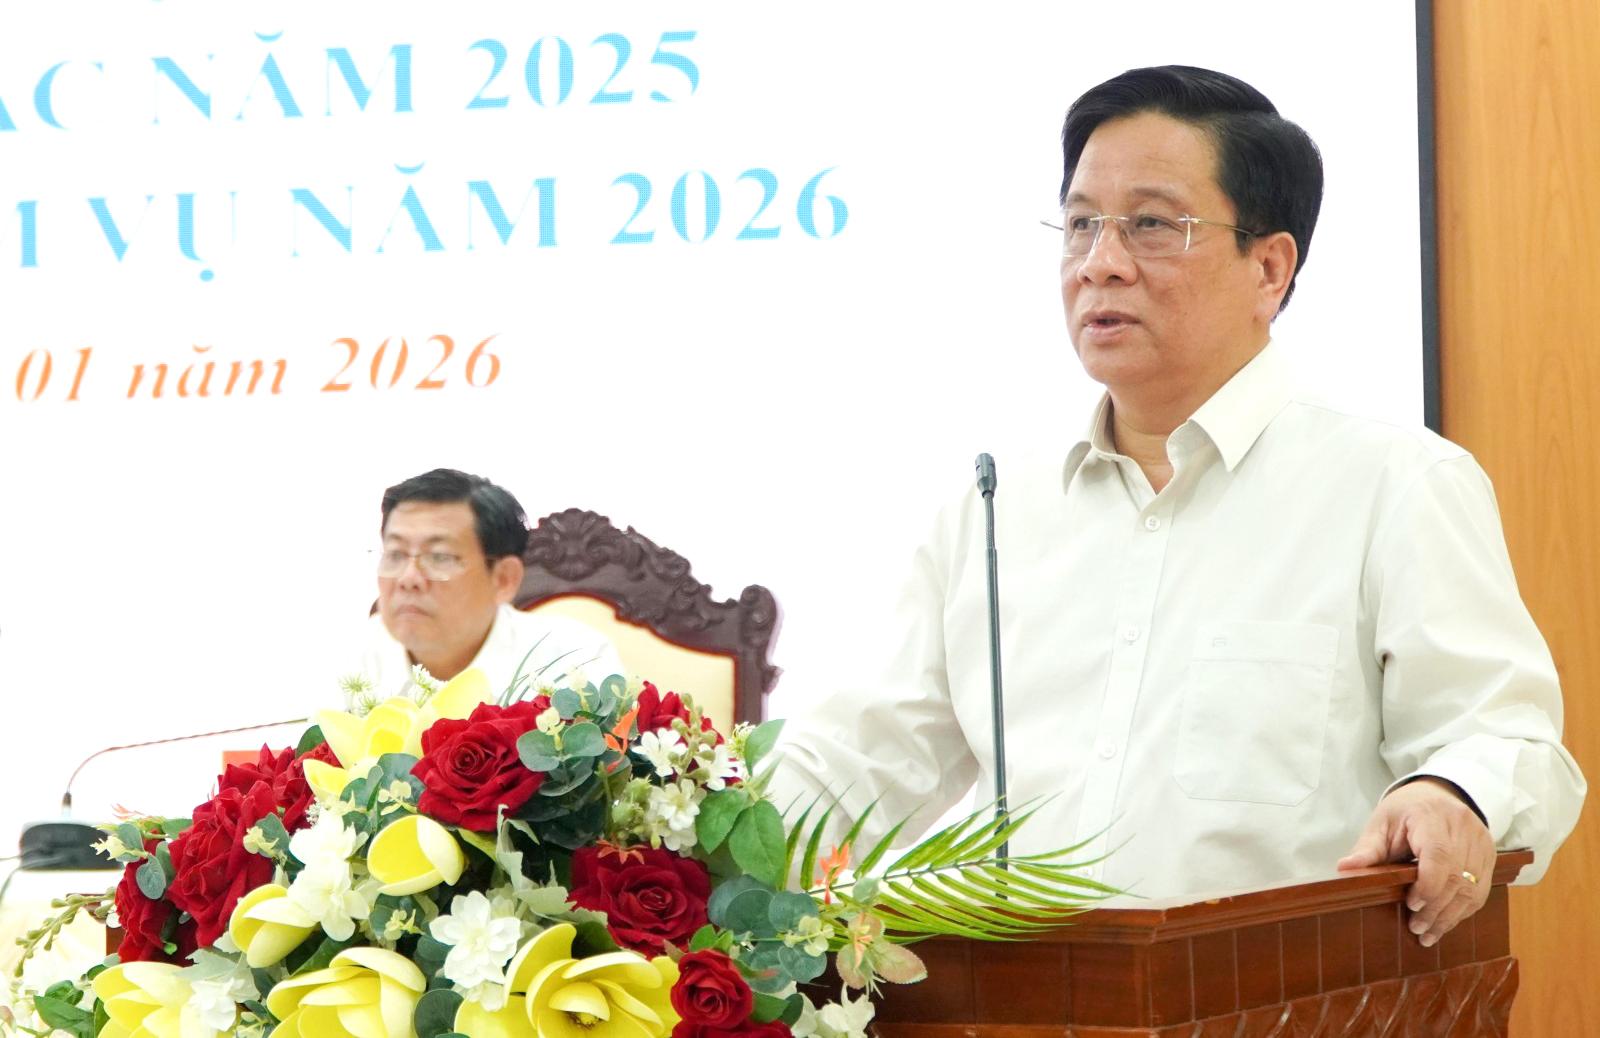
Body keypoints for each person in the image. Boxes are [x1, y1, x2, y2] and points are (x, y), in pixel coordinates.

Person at [769, 66, 1585, 949]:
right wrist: (683, 824)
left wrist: (1452, 792)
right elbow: (861, 758)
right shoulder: (994, 507)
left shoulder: (1396, 485)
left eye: (1152, 225)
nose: (1101, 262)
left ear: (1269, 267)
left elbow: (1512, 745)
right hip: (1028, 997)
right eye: (1082, 225)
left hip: (1283, 993)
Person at [351, 468, 625, 699]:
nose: (408, 579)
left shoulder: (576, 664)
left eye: (439, 557)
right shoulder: (350, 659)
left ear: (504, 579)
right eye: (395, 554)